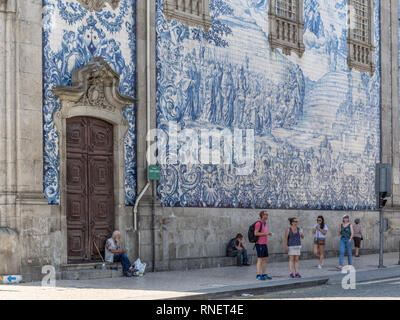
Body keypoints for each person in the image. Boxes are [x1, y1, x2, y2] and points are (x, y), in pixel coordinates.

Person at [254, 210, 273, 280]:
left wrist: (268, 233)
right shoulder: (258, 223)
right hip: (259, 244)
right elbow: (255, 233)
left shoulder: (264, 223)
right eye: (265, 214)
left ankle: (264, 274)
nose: (267, 216)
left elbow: (263, 233)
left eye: (267, 215)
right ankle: (258, 275)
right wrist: (265, 233)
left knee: (265, 259)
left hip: (264, 243)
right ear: (262, 215)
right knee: (260, 259)